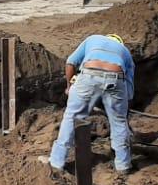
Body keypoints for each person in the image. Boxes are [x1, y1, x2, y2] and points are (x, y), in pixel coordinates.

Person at [49, 32, 135, 175]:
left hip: (89, 73)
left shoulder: (92, 39)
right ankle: (123, 164)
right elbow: (130, 91)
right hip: (116, 78)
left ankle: (57, 162)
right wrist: (120, 111)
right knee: (119, 122)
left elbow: (70, 62)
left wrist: (70, 87)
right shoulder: (125, 52)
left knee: (72, 116)